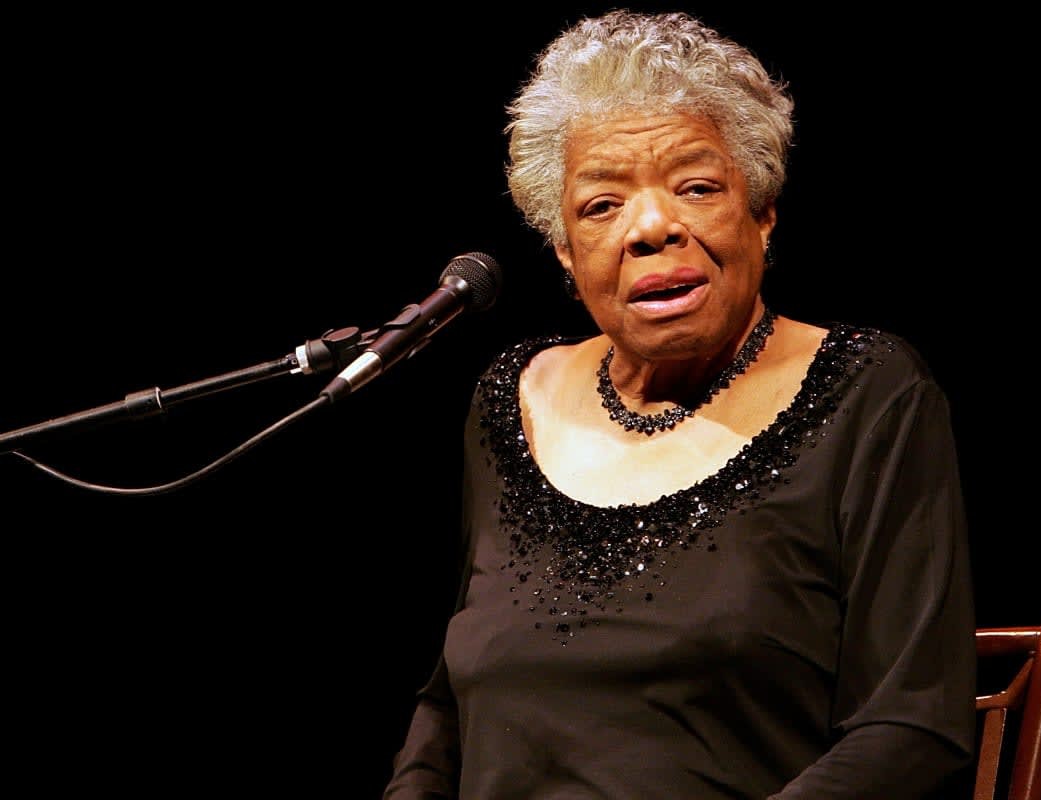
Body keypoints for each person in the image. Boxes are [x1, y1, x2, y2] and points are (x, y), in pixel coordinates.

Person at [383, 9, 975, 799]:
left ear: (763, 212)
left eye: (696, 187)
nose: (652, 227)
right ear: (564, 250)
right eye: (601, 206)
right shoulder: (512, 399)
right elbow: (447, 706)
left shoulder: (868, 391)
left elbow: (911, 729)